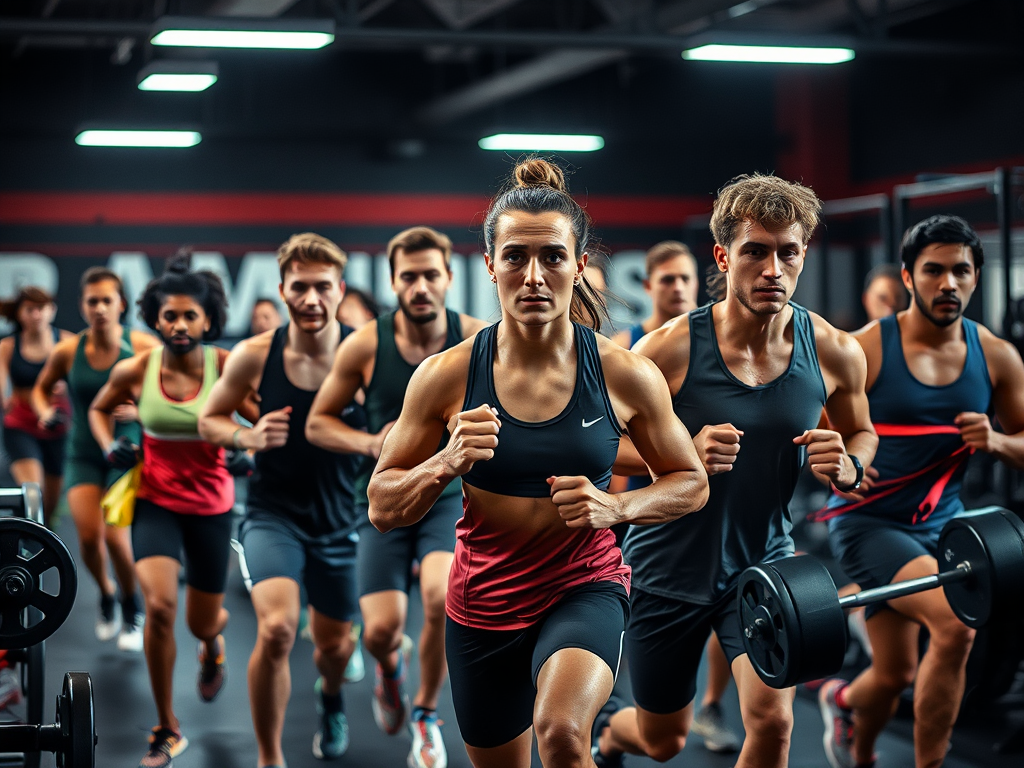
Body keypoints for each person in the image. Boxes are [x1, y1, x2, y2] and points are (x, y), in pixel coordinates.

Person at [366, 158, 709, 768]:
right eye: (516, 257)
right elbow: (382, 506)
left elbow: (691, 482)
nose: (533, 276)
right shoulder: (445, 376)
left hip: (584, 588)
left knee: (561, 734)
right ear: (491, 263)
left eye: (552, 257)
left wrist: (618, 505)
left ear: (579, 266)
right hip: (482, 605)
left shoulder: (623, 373)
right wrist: (445, 462)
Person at [595, 173, 878, 768]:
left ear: (804, 256)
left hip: (763, 567)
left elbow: (861, 431)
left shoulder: (833, 349)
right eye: (756, 250)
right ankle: (610, 737)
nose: (773, 268)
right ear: (724, 257)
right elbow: (594, 446)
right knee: (661, 740)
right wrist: (678, 456)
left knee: (774, 723)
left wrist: (851, 464)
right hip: (665, 571)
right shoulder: (666, 350)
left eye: (788, 252)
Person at [818, 215, 1024, 768]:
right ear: (908, 278)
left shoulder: (997, 356)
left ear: (977, 276)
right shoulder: (867, 348)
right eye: (933, 270)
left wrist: (999, 443)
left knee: (893, 674)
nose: (948, 284)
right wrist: (844, 462)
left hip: (943, 528)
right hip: (867, 524)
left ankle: (845, 716)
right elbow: (815, 434)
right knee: (955, 626)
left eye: (961, 270)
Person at [307, 226, 488, 768]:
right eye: (409, 277)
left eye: (431, 275)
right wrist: (368, 441)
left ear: (450, 279)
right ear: (393, 281)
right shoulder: (366, 343)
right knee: (382, 632)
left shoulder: (478, 340)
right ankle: (390, 671)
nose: (421, 287)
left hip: (449, 499)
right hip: (385, 500)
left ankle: (426, 714)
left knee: (439, 599)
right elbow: (317, 423)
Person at [199, 233, 361, 768]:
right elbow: (211, 419)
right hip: (273, 516)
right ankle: (270, 758)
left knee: (335, 649)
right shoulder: (254, 355)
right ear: (282, 290)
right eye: (299, 288)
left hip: (342, 521)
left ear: (339, 290)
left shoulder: (365, 353)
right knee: (277, 629)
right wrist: (246, 436)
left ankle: (330, 697)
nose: (311, 299)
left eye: (322, 287)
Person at [90, 253, 248, 768]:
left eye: (190, 316)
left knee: (203, 622)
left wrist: (245, 445)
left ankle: (212, 644)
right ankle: (166, 728)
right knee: (159, 608)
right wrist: (112, 443)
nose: (179, 325)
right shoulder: (139, 368)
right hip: (155, 500)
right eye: (170, 316)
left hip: (211, 505)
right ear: (155, 318)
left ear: (208, 320)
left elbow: (264, 414)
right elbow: (98, 407)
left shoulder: (223, 367)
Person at [33, 267, 159, 650]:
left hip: (126, 451)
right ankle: (106, 594)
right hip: (83, 451)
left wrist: (141, 413)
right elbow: (40, 390)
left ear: (121, 303)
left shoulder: (143, 346)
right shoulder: (68, 350)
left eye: (108, 300)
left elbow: (167, 395)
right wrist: (42, 410)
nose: (101, 308)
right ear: (83, 306)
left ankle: (131, 605)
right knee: (88, 539)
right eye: (93, 301)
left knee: (116, 540)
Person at [0, 287, 74, 525]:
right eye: (30, 309)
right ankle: (23, 544)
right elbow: (3, 388)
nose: (36, 315)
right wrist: (5, 395)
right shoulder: (8, 347)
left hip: (57, 427)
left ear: (52, 310)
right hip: (20, 425)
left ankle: (43, 540)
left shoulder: (68, 342)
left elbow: (84, 380)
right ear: (20, 314)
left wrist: (66, 383)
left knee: (49, 507)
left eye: (41, 308)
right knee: (34, 492)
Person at [611, 241, 700, 352]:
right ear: (648, 286)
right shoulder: (623, 346)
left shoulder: (719, 337)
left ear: (696, 283)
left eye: (685, 278)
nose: (678, 288)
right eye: (668, 280)